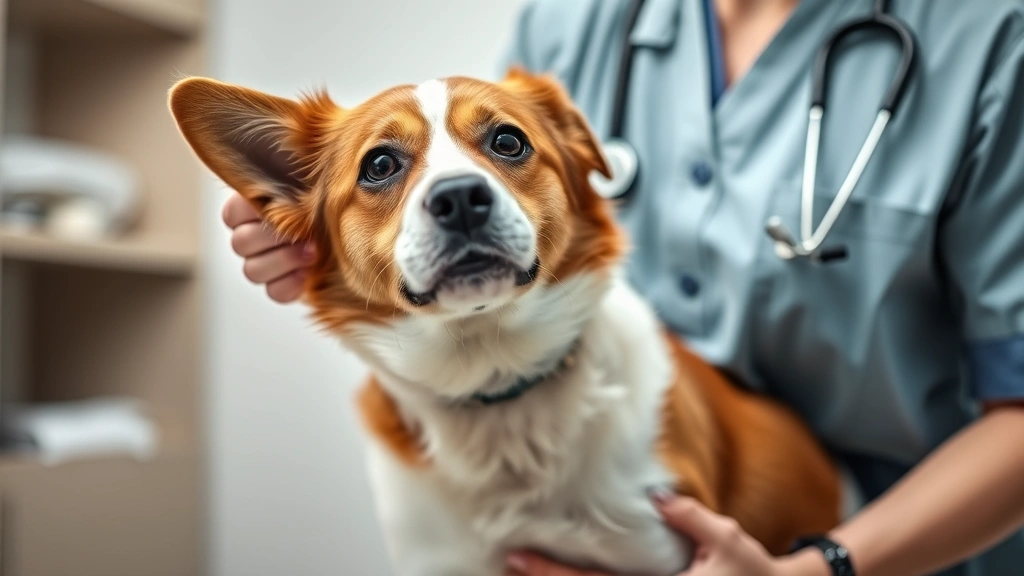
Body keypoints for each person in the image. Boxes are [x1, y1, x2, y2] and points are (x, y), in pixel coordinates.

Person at [220, 0, 1024, 574]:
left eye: (504, 144)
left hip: (914, 544)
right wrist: (318, 248)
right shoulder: (570, 23)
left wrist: (820, 570)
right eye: (384, 168)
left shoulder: (989, 36)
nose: (460, 191)